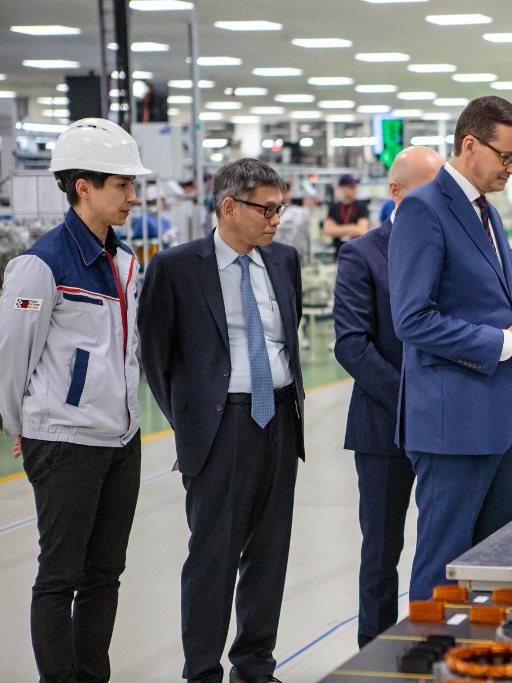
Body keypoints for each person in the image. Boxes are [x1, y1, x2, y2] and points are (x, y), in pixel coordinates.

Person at [138, 158, 305, 683]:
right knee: (213, 556)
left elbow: (287, 334)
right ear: (229, 206)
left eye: (280, 209)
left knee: (270, 553)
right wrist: (192, 423)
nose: (275, 220)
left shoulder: (284, 260)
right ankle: (203, 672)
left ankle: (254, 666)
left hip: (279, 419)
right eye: (266, 209)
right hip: (220, 426)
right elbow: (155, 356)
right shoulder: (176, 267)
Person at [0, 118, 150, 682]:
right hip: (64, 441)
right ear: (83, 186)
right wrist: (21, 424)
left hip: (121, 439)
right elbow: (10, 357)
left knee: (105, 574)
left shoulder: (125, 261)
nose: (132, 197)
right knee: (60, 576)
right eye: (122, 185)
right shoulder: (40, 265)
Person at [388, 96, 512, 601]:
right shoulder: (423, 209)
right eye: (507, 157)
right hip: (453, 427)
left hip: (501, 421)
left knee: (494, 564)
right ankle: (429, 650)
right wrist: (504, 342)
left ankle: (479, 649)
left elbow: (482, 299)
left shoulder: (486, 213)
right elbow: (412, 319)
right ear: (471, 145)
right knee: (444, 570)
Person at [333, 146, 445, 647]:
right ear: (396, 192)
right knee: (381, 552)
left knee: (443, 545)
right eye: (429, 189)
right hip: (384, 426)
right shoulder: (362, 254)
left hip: (444, 424)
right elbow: (352, 345)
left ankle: (434, 645)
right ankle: (373, 655)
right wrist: (414, 396)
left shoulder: (449, 245)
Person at [323, 174, 369, 256]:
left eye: (355, 186)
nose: (355, 189)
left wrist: (337, 229)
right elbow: (328, 230)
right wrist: (353, 227)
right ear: (342, 188)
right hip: (338, 253)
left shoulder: (361, 207)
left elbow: (361, 230)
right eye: (351, 187)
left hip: (358, 253)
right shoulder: (334, 207)